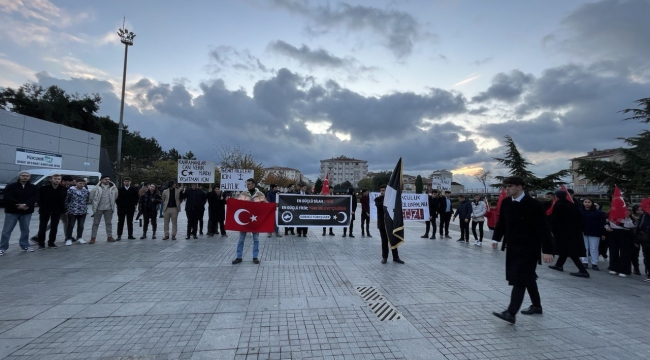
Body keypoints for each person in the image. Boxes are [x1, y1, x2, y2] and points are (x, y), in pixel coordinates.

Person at [491, 176, 553, 325]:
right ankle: (537, 306)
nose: (507, 189)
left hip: (529, 248)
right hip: (513, 247)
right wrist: (496, 238)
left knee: (519, 279)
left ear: (520, 187)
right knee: (528, 277)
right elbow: (502, 222)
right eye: (505, 187)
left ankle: (511, 313)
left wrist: (548, 250)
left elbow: (544, 228)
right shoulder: (506, 203)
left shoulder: (533, 205)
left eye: (510, 186)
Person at [547, 190, 590, 278]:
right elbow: (579, 218)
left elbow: (555, 219)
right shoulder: (572, 204)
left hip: (563, 231)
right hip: (574, 231)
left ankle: (583, 271)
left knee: (571, 251)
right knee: (565, 249)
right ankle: (559, 265)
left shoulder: (558, 204)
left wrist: (553, 230)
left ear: (557, 196)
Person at [0, 170, 39, 255]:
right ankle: (2, 247)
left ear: (29, 177)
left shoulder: (33, 187)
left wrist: (26, 204)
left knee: (25, 230)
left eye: (27, 176)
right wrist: (18, 205)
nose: (25, 177)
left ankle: (25, 245)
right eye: (23, 175)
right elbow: (7, 197)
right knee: (7, 230)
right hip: (12, 211)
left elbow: (35, 197)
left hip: (26, 211)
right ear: (19, 176)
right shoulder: (10, 186)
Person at [232, 178, 267, 265]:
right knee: (241, 239)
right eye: (247, 184)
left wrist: (272, 205)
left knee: (256, 239)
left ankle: (255, 257)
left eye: (249, 184)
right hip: (244, 220)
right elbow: (237, 205)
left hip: (255, 220)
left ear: (254, 184)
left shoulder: (260, 194)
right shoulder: (243, 193)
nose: (248, 186)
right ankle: (238, 257)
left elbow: (266, 205)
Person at [36, 174, 67, 250]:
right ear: (51, 179)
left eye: (59, 179)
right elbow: (39, 199)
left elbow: (64, 200)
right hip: (45, 210)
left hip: (57, 211)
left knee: (54, 227)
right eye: (55, 178)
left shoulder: (63, 189)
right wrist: (42, 207)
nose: (57, 180)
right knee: (42, 227)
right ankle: (41, 243)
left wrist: (63, 210)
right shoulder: (43, 188)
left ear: (61, 180)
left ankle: (51, 243)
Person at [375, 184, 404, 264]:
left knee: (393, 240)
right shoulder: (378, 199)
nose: (382, 192)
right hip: (382, 224)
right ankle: (384, 257)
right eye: (381, 191)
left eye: (383, 191)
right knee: (384, 241)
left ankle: (396, 257)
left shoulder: (391, 200)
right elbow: (381, 207)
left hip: (390, 224)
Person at [605, 208, 636, 277]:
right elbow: (606, 222)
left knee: (624, 252)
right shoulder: (612, 214)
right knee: (613, 251)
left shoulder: (627, 215)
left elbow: (632, 225)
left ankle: (625, 270)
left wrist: (627, 218)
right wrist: (607, 228)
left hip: (624, 233)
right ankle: (614, 268)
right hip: (613, 232)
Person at [89, 175, 118, 244]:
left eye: (108, 179)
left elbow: (115, 197)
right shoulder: (96, 188)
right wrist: (95, 204)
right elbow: (91, 197)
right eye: (105, 179)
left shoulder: (113, 188)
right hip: (98, 208)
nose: (107, 180)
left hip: (109, 208)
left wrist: (111, 205)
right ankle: (93, 238)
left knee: (108, 223)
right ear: (101, 180)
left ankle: (109, 236)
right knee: (95, 223)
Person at [579, 198, 606, 270]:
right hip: (583, 232)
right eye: (585, 202)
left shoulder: (598, 212)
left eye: (589, 202)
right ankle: (585, 262)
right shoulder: (580, 211)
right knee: (584, 248)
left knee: (594, 248)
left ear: (592, 203)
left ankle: (594, 263)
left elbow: (602, 223)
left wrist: (603, 233)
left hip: (594, 232)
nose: (587, 203)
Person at [64, 178, 90, 246]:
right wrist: (67, 209)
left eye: (83, 184)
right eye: (80, 183)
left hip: (82, 211)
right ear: (76, 183)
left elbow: (87, 200)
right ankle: (68, 238)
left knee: (81, 225)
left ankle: (79, 237)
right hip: (72, 211)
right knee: (71, 225)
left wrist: (85, 207)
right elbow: (67, 200)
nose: (82, 185)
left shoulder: (86, 191)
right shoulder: (71, 190)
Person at [632, 204, 650, 282]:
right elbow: (639, 228)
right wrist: (637, 240)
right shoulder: (643, 216)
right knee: (647, 257)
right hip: (645, 239)